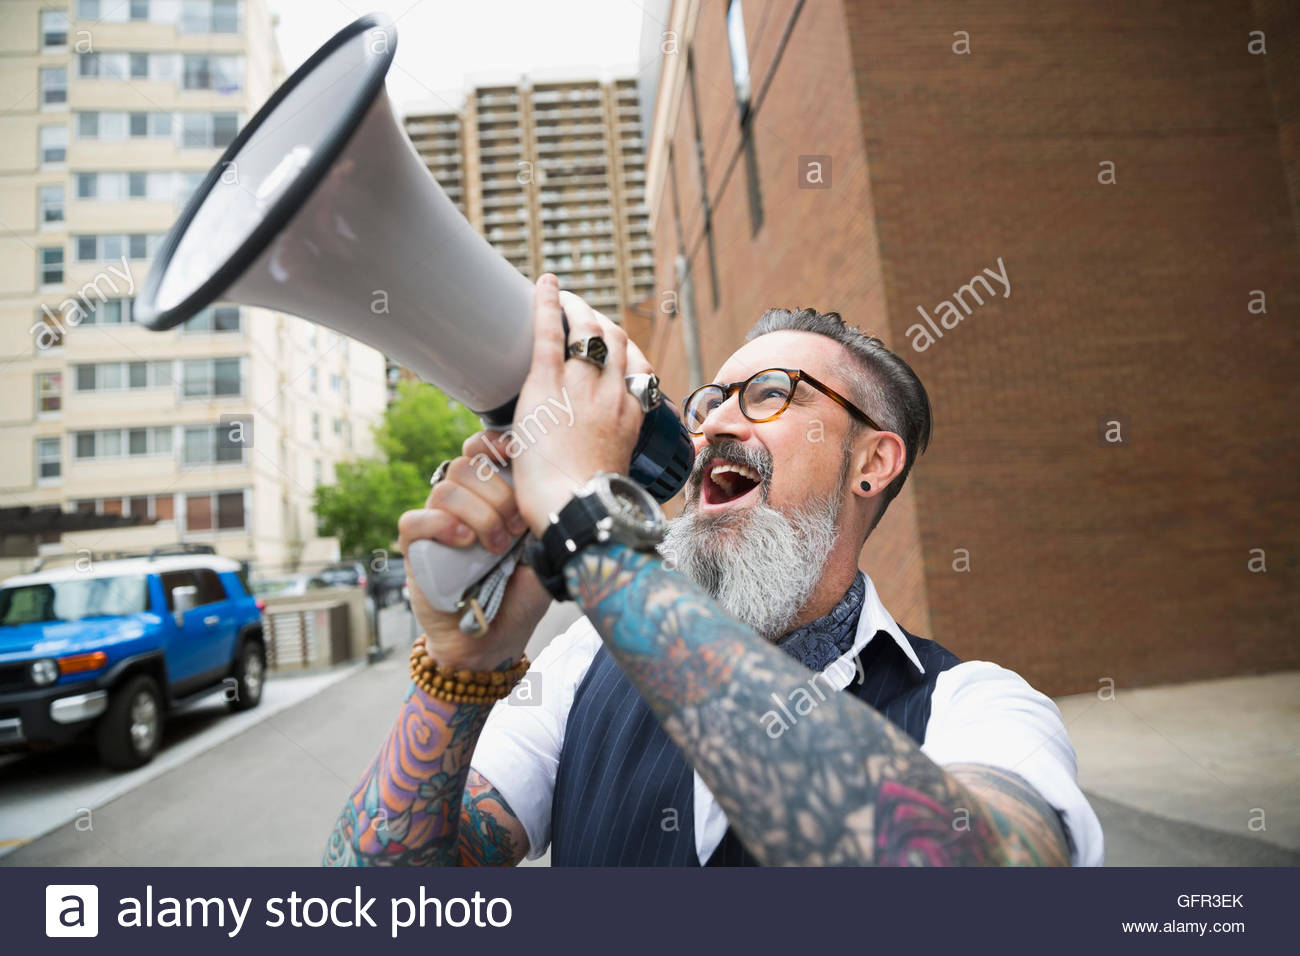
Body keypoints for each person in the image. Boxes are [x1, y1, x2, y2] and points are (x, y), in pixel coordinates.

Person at [323, 274, 1104, 867]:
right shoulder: (583, 663)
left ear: (873, 459)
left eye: (770, 395)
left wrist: (588, 527)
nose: (714, 426)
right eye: (708, 403)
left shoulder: (979, 706)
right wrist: (460, 668)